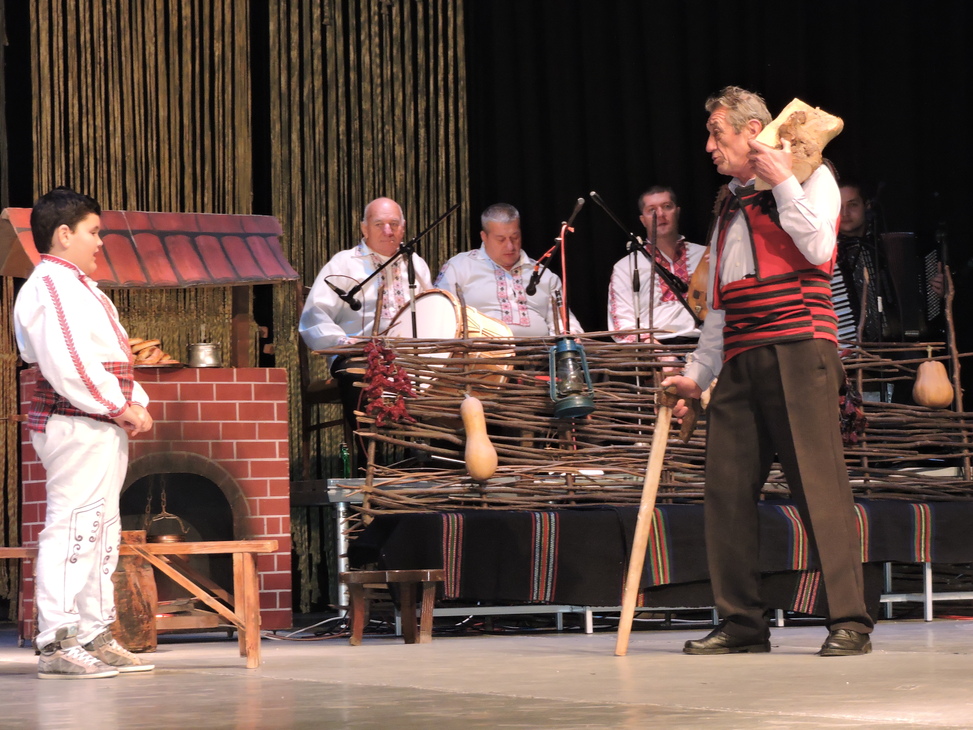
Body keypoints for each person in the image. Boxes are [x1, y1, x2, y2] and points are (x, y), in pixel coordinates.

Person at [663, 87, 874, 657]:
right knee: (726, 489)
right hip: (740, 357)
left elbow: (819, 246)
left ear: (753, 130)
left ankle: (849, 620)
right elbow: (720, 306)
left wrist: (782, 180)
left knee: (819, 484)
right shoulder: (729, 206)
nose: (709, 146)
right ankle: (741, 622)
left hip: (799, 347)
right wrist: (697, 374)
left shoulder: (811, 177)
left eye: (717, 133)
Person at [14, 187, 155, 679]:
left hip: (96, 421)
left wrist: (134, 402)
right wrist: (118, 405)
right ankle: (57, 640)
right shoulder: (52, 285)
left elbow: (112, 356)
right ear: (63, 233)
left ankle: (95, 633)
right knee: (73, 525)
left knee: (101, 529)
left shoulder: (79, 286)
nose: (100, 241)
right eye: (93, 232)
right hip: (75, 422)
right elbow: (69, 362)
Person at [299, 197, 433, 421]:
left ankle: (426, 440)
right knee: (358, 374)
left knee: (446, 374)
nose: (388, 231)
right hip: (359, 355)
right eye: (379, 224)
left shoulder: (415, 264)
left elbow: (431, 311)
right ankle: (367, 443)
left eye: (394, 224)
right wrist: (343, 342)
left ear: (403, 227)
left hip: (408, 356)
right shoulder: (344, 263)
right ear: (365, 228)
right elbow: (316, 314)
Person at [435, 203, 583, 336]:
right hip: (482, 354)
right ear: (484, 237)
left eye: (515, 237)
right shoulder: (459, 266)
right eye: (501, 239)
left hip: (540, 354)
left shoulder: (544, 275)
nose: (510, 246)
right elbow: (440, 313)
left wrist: (571, 335)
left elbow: (564, 321)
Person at [607, 186, 706, 344]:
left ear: (677, 212)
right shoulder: (626, 267)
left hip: (705, 343)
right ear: (643, 220)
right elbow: (622, 325)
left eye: (667, 206)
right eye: (651, 210)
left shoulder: (705, 255)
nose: (660, 214)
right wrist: (657, 351)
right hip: (655, 348)